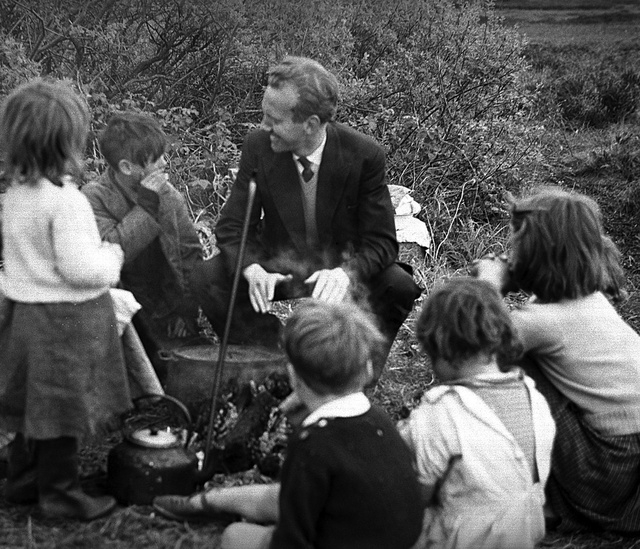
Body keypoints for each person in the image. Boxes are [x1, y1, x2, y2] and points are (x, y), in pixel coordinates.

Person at [194, 55, 422, 377]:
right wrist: (251, 267)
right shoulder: (258, 146)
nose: (263, 126)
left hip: (340, 268)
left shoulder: (364, 155)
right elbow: (232, 226)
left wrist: (346, 273)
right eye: (264, 115)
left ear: (311, 124)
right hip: (279, 265)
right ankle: (273, 365)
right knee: (208, 278)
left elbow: (382, 243)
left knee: (398, 285)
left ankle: (352, 375)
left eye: (274, 119)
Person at [152, 301, 424, 549]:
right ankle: (204, 503)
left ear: (293, 376)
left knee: (235, 535)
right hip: (385, 535)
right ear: (366, 370)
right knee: (283, 496)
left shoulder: (314, 444)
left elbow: (291, 543)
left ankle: (214, 509)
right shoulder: (379, 420)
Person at [0, 79, 131, 520]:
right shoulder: (66, 202)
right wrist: (112, 258)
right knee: (61, 407)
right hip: (66, 320)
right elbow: (79, 269)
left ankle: (22, 479)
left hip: (26, 314)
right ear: (66, 142)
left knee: (35, 403)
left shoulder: (15, 195)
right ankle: (60, 494)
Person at [474, 187, 640, 533]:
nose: (508, 253)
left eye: (515, 244)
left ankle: (538, 495)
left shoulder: (540, 322)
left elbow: (475, 348)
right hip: (629, 461)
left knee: (514, 368)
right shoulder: (591, 298)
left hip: (605, 471)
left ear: (536, 253)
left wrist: (489, 286)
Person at [398, 277, 556, 549]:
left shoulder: (441, 411)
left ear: (441, 349)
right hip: (521, 536)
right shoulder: (534, 397)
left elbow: (415, 497)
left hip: (462, 538)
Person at [81, 112, 208, 365]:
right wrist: (148, 205)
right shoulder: (93, 197)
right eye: (155, 159)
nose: (163, 163)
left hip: (166, 305)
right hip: (124, 310)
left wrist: (186, 313)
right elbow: (113, 254)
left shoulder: (168, 195)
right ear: (127, 167)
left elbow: (188, 255)